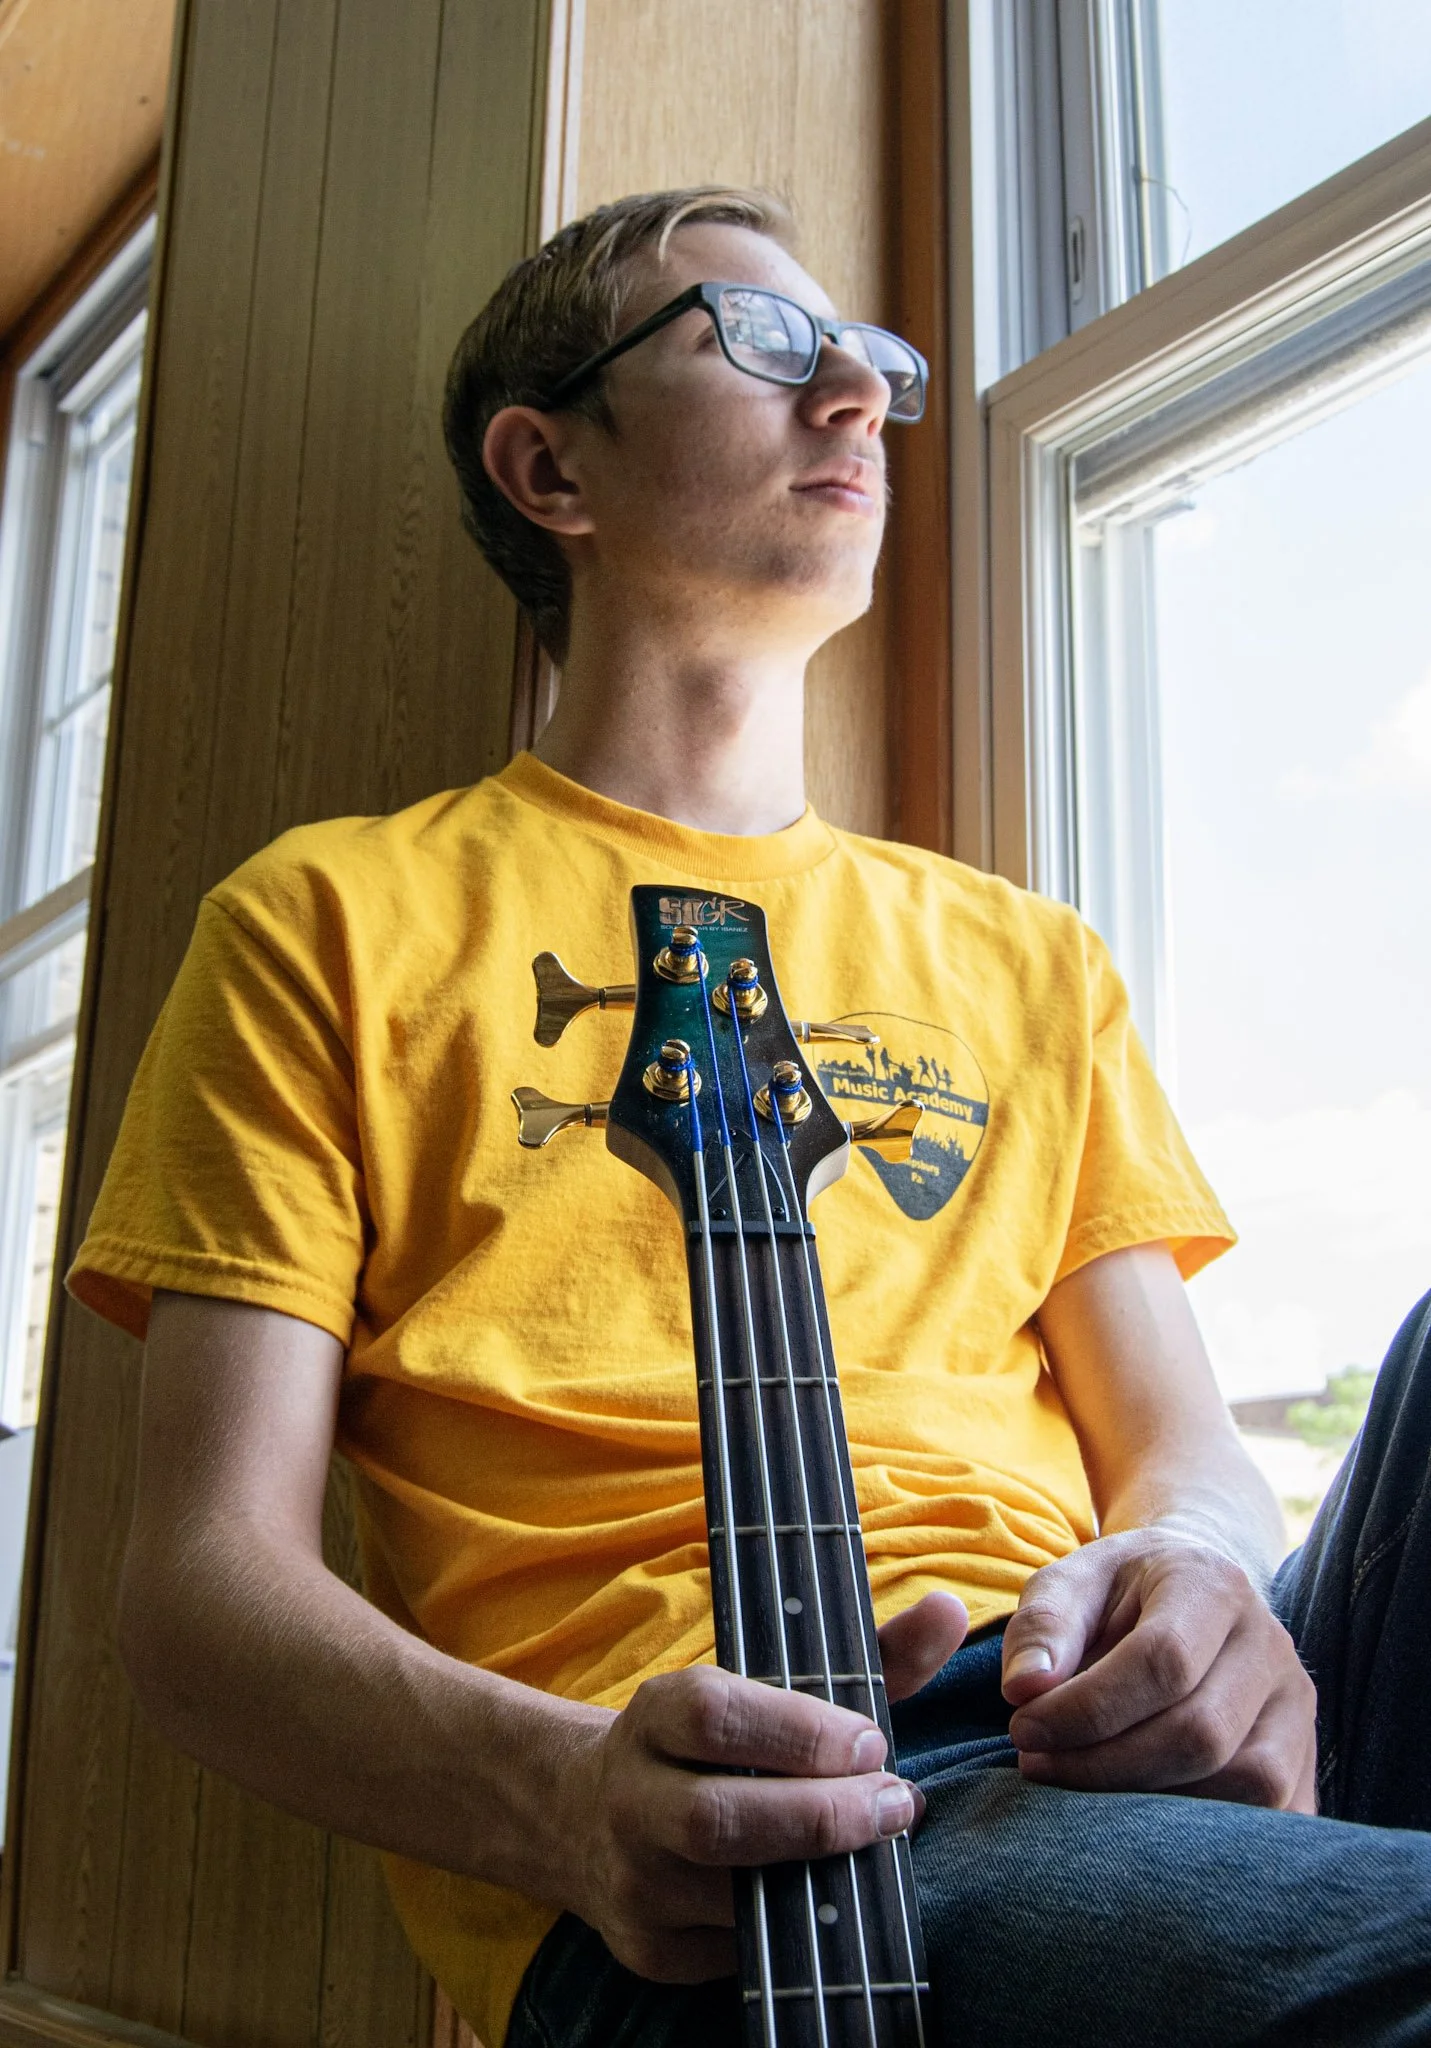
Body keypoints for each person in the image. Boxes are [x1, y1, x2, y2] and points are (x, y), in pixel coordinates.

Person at [68, 187, 1431, 2048]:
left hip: (1140, 1723)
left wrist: (1199, 1576)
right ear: (551, 468)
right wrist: (559, 1798)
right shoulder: (330, 919)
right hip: (755, 1830)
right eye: (773, 347)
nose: (860, 400)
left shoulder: (1025, 957)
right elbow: (200, 1596)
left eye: (874, 361)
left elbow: (1182, 1450)